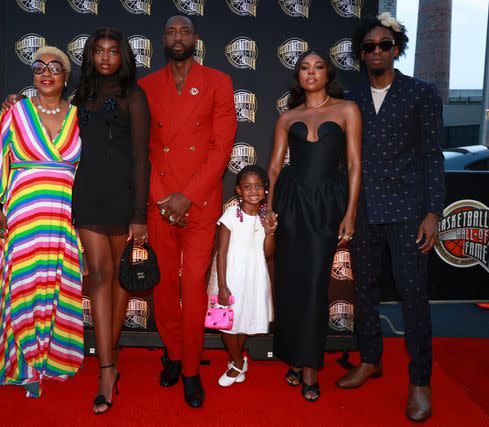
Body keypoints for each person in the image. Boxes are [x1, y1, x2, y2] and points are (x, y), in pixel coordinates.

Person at [335, 13, 444, 422]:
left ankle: (420, 382)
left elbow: (434, 156)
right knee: (364, 288)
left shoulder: (421, 93)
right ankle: (370, 359)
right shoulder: (352, 99)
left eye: (384, 44)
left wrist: (433, 212)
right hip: (363, 210)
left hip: (408, 210)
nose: (376, 51)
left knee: (413, 295)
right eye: (369, 46)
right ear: (361, 54)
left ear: (396, 49)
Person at [138, 15, 237, 408]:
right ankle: (174, 355)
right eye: (170, 31)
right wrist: (164, 198)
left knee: (194, 287)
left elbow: (221, 147)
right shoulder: (146, 86)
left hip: (198, 202)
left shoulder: (218, 82)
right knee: (163, 287)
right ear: (162, 39)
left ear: (195, 38)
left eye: (184, 31)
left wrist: (187, 197)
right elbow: (141, 150)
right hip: (159, 202)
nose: (177, 37)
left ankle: (192, 369)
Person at [0, 46, 83, 398]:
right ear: (33, 76)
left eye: (55, 68)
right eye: (39, 68)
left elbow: (85, 170)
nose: (47, 73)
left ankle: (52, 359)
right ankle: (23, 363)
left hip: (64, 215)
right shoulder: (15, 112)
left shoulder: (79, 116)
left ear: (66, 77)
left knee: (56, 283)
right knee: (22, 282)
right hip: (23, 213)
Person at [267, 50, 362, 402]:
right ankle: (294, 358)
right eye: (304, 67)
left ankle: (310, 367)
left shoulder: (347, 110)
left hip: (327, 204)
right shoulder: (287, 117)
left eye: (318, 66)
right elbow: (275, 168)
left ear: (327, 73)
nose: (311, 72)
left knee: (313, 286)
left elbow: (354, 164)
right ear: (298, 76)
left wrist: (350, 211)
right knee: (290, 283)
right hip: (291, 204)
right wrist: (270, 210)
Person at [71, 27, 150, 414]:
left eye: (112, 51)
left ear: (123, 57)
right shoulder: (80, 95)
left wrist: (140, 213)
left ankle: (111, 358)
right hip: (86, 195)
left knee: (119, 279)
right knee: (99, 275)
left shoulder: (134, 96)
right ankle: (106, 370)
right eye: (98, 51)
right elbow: (50, 121)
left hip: (122, 198)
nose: (105, 57)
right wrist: (17, 102)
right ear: (90, 57)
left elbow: (140, 158)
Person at [208, 165, 274, 387]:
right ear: (238, 190)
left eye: (257, 186)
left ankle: (238, 361)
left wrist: (271, 231)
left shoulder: (268, 218)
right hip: (230, 275)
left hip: (254, 277)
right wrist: (223, 286)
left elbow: (267, 253)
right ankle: (237, 362)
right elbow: (222, 251)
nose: (253, 191)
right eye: (247, 187)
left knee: (245, 319)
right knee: (226, 324)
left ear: (265, 189)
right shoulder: (230, 215)